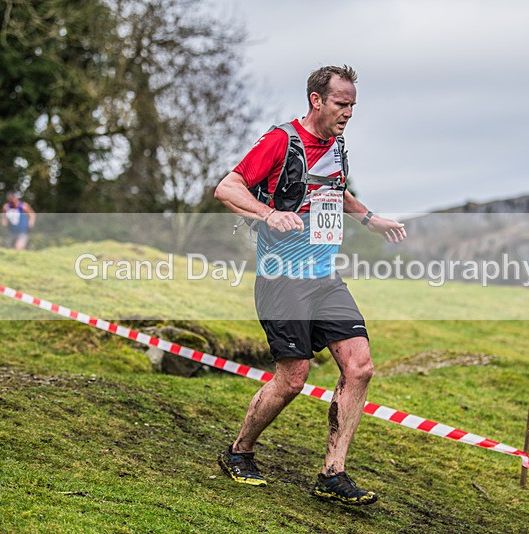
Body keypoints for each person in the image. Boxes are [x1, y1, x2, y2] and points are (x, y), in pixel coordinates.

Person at [213, 65, 406, 505]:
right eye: (342, 103)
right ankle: (238, 452)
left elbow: (335, 192)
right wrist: (266, 214)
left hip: (324, 277)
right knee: (292, 380)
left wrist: (370, 219)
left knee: (359, 367)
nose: (349, 113)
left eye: (354, 105)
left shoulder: (337, 144)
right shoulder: (281, 140)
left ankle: (332, 474)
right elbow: (228, 187)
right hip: (282, 278)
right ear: (317, 100)